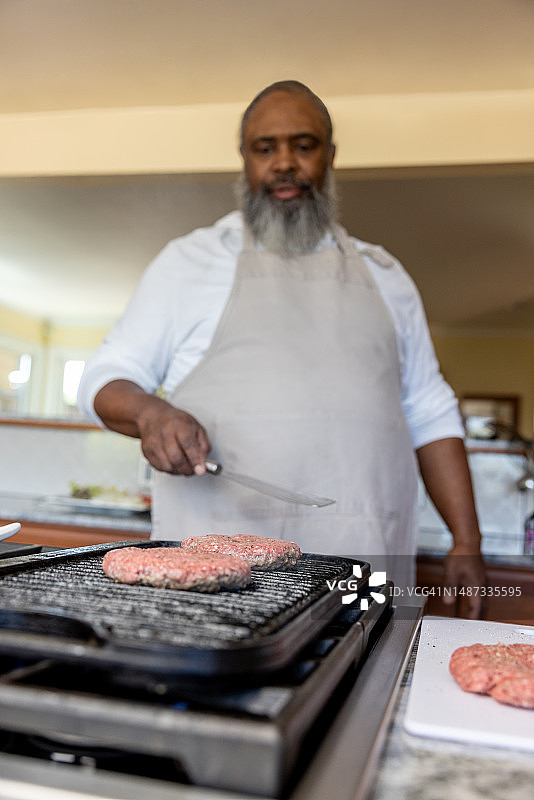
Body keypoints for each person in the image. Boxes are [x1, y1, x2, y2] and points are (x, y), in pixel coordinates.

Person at [78, 80, 486, 616]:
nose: (285, 163)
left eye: (304, 144)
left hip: (363, 571)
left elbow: (430, 411)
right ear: (244, 160)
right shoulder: (188, 263)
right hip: (216, 581)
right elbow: (103, 377)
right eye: (265, 148)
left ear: (330, 156)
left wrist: (466, 541)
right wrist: (149, 412)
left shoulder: (388, 277)